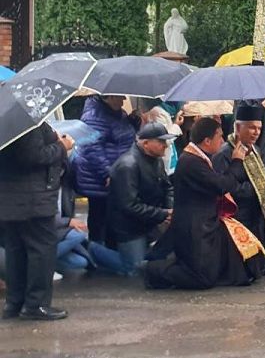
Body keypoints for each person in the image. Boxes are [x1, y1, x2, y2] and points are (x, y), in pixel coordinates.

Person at [144, 118, 265, 290]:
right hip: (194, 227)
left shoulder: (199, 157)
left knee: (234, 259)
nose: (222, 141)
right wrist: (237, 161)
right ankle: (153, 270)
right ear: (207, 141)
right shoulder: (191, 162)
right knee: (201, 279)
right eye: (219, 137)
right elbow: (221, 186)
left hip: (206, 222)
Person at [0, 123, 73, 320]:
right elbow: (32, 156)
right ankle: (36, 304)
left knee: (17, 251)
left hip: (11, 197)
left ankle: (15, 302)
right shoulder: (24, 120)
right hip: (32, 199)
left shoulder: (7, 114)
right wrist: (62, 146)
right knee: (41, 251)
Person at [212, 106, 265, 275]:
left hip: (256, 211)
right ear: (237, 128)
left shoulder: (255, 150)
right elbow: (226, 187)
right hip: (237, 214)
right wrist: (259, 187)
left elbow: (259, 179)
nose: (256, 132)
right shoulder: (224, 153)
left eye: (259, 128)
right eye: (251, 127)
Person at [106, 123, 175, 275]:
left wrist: (169, 211)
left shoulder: (156, 159)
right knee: (134, 271)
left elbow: (168, 187)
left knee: (156, 261)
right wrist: (164, 214)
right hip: (129, 228)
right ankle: (95, 250)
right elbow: (129, 205)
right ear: (145, 143)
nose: (165, 145)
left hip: (149, 222)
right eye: (161, 141)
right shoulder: (128, 165)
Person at [73, 95, 141, 243]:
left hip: (118, 172)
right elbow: (91, 147)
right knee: (100, 218)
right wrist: (107, 172)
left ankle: (108, 253)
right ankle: (97, 256)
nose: (123, 101)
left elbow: (122, 137)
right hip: (100, 178)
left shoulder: (119, 114)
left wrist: (133, 123)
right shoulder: (94, 117)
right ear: (108, 97)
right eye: (119, 97)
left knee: (113, 219)